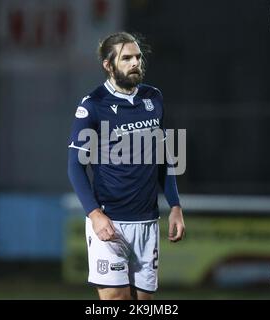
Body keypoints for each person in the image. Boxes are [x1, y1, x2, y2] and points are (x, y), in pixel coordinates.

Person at [67, 32, 185, 300]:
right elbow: (74, 166)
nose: (135, 63)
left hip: (147, 221)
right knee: (115, 299)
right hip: (110, 221)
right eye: (127, 58)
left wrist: (175, 206)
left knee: (143, 302)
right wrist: (94, 214)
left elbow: (164, 157)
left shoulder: (153, 98)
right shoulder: (93, 105)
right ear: (108, 65)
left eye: (138, 57)